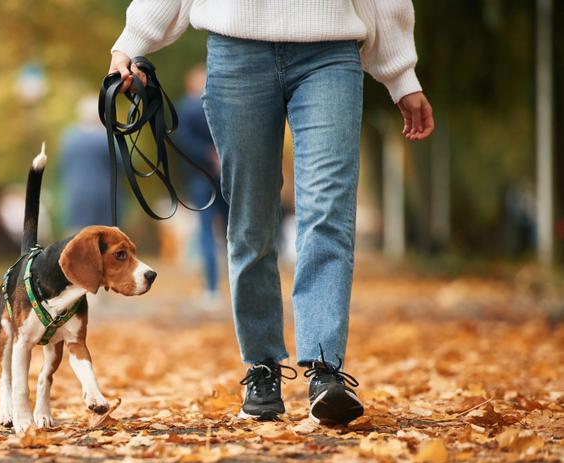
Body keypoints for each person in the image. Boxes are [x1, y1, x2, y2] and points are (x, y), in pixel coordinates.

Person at [108, 1, 434, 425]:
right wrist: (130, 44)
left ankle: (324, 371)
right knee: (250, 219)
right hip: (237, 52)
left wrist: (400, 73)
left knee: (327, 210)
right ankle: (262, 368)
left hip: (330, 51)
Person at [174, 64, 229, 305]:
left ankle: (212, 288)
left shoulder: (185, 107)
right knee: (232, 230)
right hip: (226, 173)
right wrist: (220, 155)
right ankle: (239, 286)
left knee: (206, 232)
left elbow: (183, 141)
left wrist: (208, 155)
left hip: (199, 176)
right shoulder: (224, 104)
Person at [58, 95, 117, 232]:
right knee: (106, 233)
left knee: (77, 232)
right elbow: (119, 165)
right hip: (104, 192)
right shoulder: (106, 137)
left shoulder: (69, 137)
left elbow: (63, 164)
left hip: (76, 191)